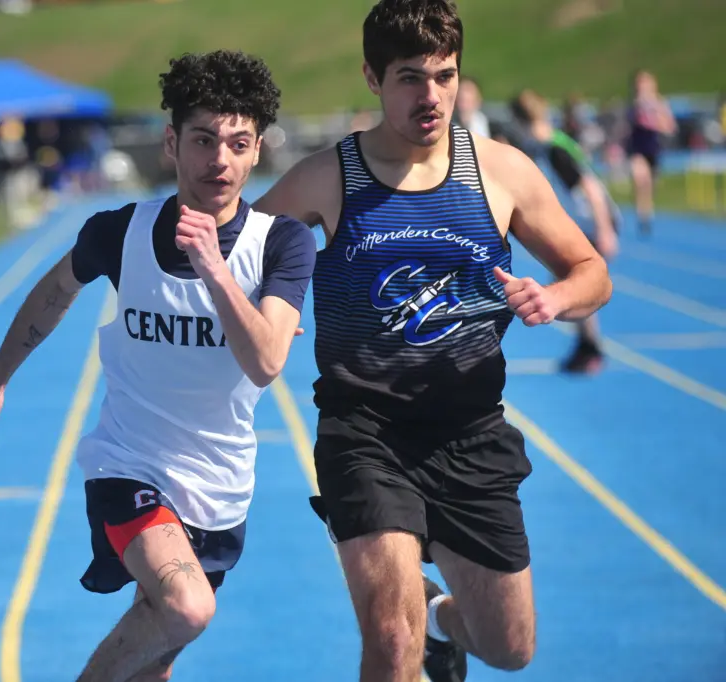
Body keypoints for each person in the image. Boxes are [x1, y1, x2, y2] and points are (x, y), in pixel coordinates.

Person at [252, 2, 613, 681]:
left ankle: (440, 623)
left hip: (470, 431)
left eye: (445, 76)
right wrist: (270, 304)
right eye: (410, 78)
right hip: (366, 431)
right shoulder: (327, 178)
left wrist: (556, 298)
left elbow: (591, 271)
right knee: (391, 642)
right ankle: (413, 626)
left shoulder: (501, 172)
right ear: (372, 78)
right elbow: (242, 256)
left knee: (509, 647)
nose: (431, 96)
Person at [0, 49, 316, 682]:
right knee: (187, 606)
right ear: (172, 143)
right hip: (128, 464)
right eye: (203, 140)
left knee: (153, 657)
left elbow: (265, 362)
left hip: (220, 484)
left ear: (258, 150)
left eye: (238, 144)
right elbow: (55, 289)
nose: (220, 160)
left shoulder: (282, 243)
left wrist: (214, 268)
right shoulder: (120, 232)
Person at [510, 89, 619, 374]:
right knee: (568, 281)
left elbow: (591, 189)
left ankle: (590, 347)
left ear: (521, 122)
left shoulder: (554, 149)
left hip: (591, 221)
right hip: (583, 220)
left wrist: (605, 229)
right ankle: (587, 344)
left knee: (574, 282)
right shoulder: (551, 143)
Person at [625, 69, 676, 236]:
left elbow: (669, 126)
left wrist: (659, 120)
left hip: (653, 149)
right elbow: (636, 120)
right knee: (641, 179)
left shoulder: (660, 103)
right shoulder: (635, 103)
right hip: (637, 149)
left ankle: (647, 212)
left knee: (650, 186)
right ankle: (642, 215)